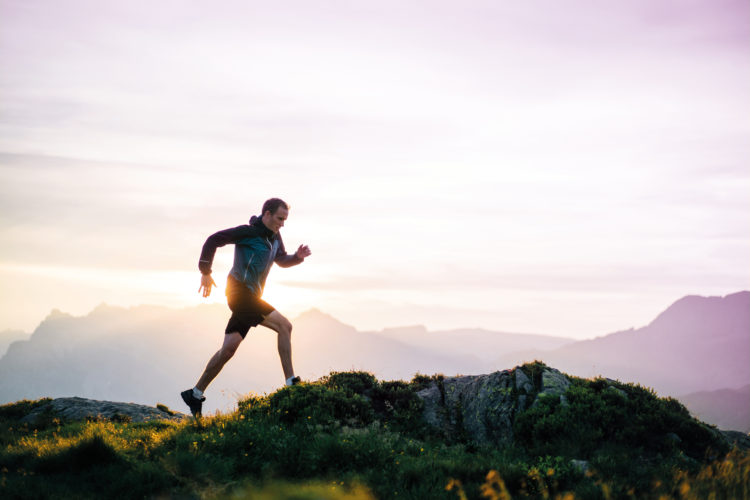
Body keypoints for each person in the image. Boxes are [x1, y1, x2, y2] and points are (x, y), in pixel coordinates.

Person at [181, 197, 311, 417]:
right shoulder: (247, 232)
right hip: (239, 293)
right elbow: (213, 240)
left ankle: (194, 393)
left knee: (228, 349)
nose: (282, 223)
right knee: (285, 326)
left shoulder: (275, 237)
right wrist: (205, 272)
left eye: (285, 219)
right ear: (267, 214)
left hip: (252, 296)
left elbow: (280, 260)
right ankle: (291, 383)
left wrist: (297, 258)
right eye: (280, 218)